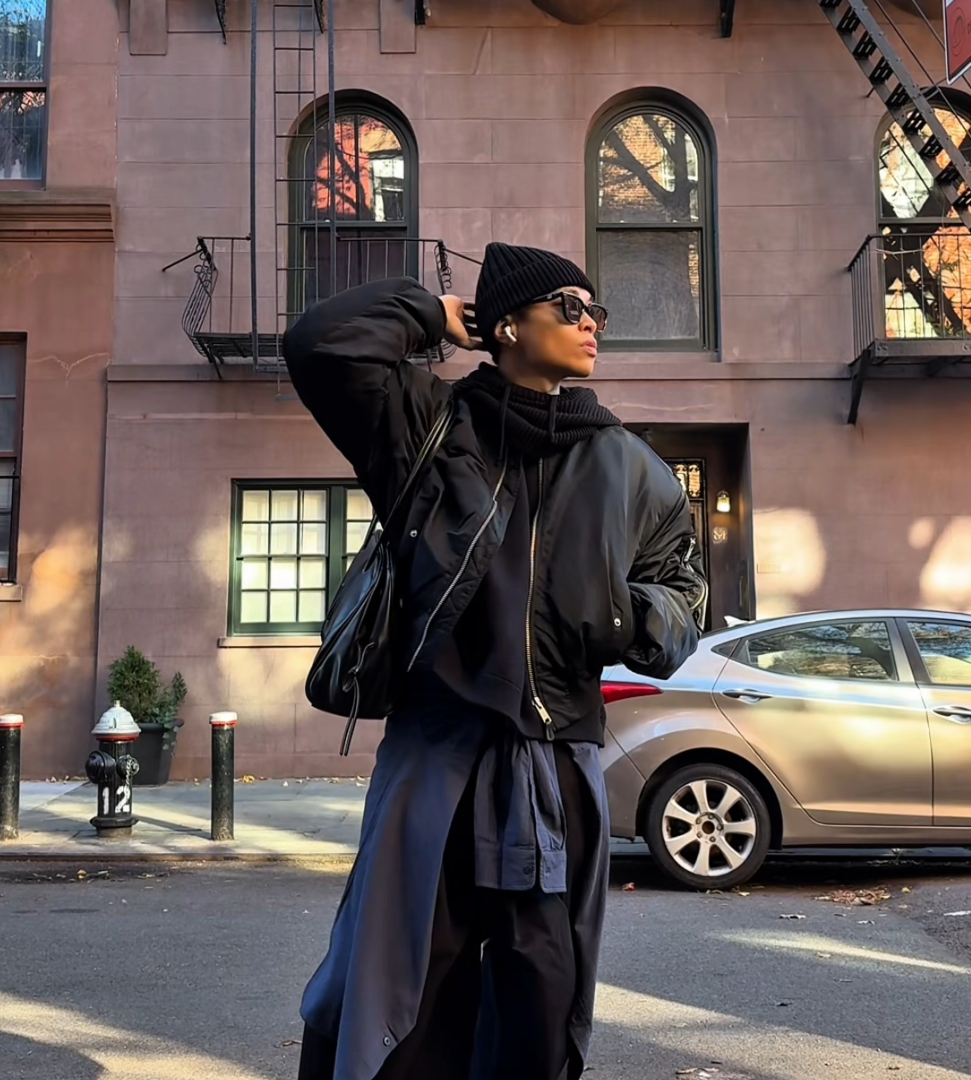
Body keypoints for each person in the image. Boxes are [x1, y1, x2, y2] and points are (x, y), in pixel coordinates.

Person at [283, 242, 707, 1080]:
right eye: (568, 307)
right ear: (506, 324)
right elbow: (320, 344)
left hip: (556, 764)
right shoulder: (429, 427)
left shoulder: (630, 465)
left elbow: (686, 598)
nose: (591, 324)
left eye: (598, 312)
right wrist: (434, 316)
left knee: (542, 1004)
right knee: (403, 998)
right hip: (437, 750)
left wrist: (624, 613)